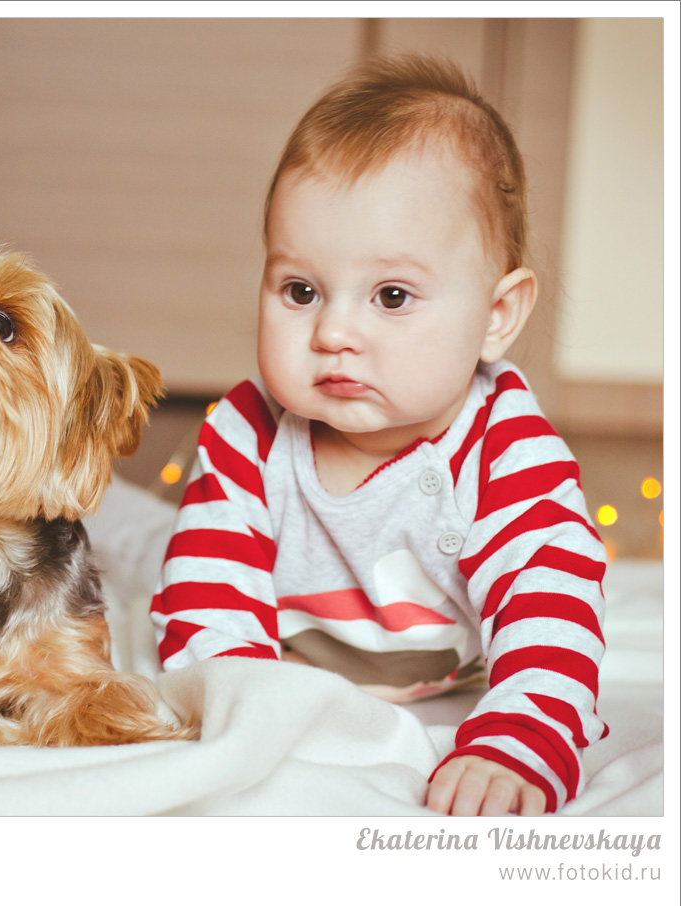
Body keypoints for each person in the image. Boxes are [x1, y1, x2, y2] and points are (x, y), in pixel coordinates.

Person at [149, 55, 608, 816]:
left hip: (453, 681)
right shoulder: (246, 433)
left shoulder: (505, 447)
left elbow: (551, 605)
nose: (332, 331)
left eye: (391, 296)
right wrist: (238, 718)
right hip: (290, 673)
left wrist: (520, 736)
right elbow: (207, 602)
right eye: (300, 290)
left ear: (496, 316)